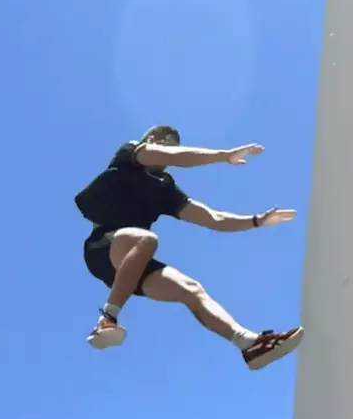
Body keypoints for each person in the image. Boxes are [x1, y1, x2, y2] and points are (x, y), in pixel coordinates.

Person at [75, 125, 303, 369]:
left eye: (174, 144)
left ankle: (250, 344)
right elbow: (175, 156)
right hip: (104, 246)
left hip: (132, 263)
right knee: (147, 239)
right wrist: (224, 155)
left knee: (191, 290)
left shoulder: (165, 189)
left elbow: (213, 219)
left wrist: (257, 221)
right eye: (167, 143)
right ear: (151, 140)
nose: (171, 149)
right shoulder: (129, 154)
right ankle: (107, 319)